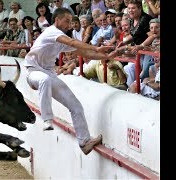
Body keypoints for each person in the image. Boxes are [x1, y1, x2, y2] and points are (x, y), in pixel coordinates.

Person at [24, 8, 118, 155]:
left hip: (49, 76)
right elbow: (73, 42)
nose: (70, 24)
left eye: (70, 21)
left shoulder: (61, 37)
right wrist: (97, 48)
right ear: (57, 20)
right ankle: (47, 120)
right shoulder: (51, 31)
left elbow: (83, 52)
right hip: (33, 73)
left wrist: (107, 56)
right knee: (45, 79)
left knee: (76, 106)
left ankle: (84, 142)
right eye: (67, 21)